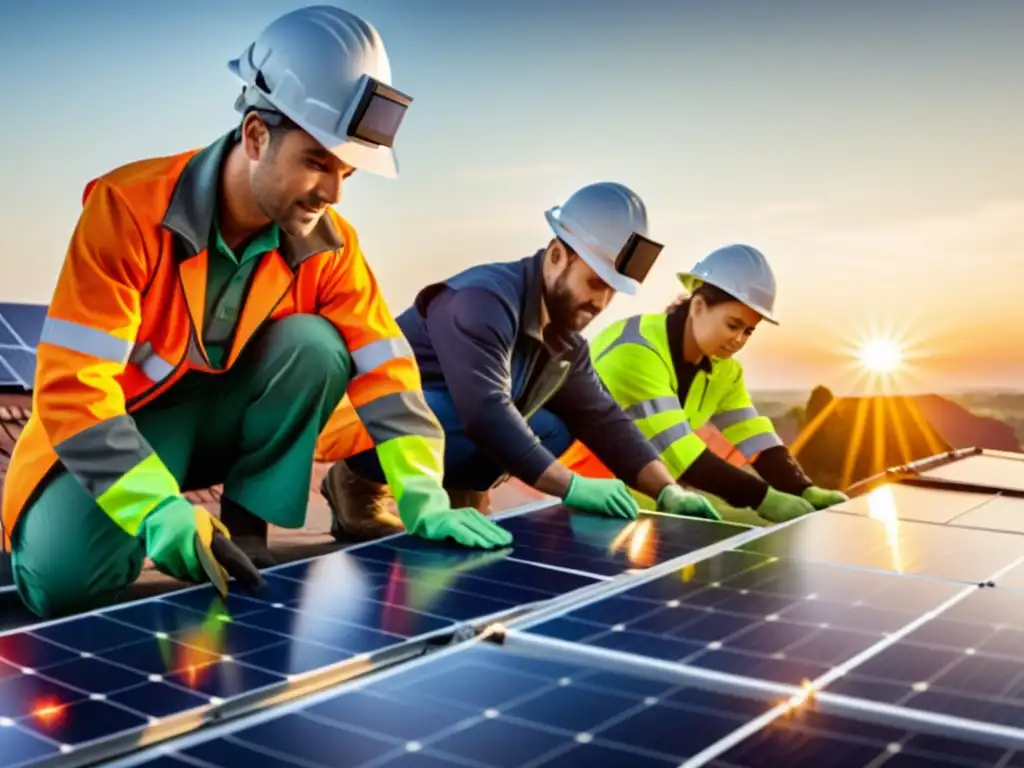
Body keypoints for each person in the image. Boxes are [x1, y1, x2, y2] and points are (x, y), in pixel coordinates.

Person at [1, 5, 510, 620]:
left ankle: (248, 532)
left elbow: (387, 371)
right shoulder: (126, 210)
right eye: (318, 163)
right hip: (129, 427)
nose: (333, 192)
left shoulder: (330, 246)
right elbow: (72, 389)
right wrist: (154, 509)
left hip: (220, 431)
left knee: (315, 345)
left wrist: (423, 493)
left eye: (346, 171)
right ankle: (105, 525)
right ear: (255, 136)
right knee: (63, 587)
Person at [317, 181, 720, 540]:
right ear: (558, 255)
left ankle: (462, 496)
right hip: (369, 428)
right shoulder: (481, 301)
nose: (601, 302)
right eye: (595, 282)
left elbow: (603, 417)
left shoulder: (564, 340)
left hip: (438, 429)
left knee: (555, 427)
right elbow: (483, 411)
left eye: (613, 291)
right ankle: (357, 483)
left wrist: (668, 489)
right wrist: (573, 486)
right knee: (470, 411)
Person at [559, 243, 849, 523]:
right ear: (698, 306)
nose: (738, 340)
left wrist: (801, 488)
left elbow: (753, 435)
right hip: (570, 497)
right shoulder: (634, 351)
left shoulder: (724, 370)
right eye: (732, 325)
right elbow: (677, 451)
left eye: (749, 331)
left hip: (636, 507)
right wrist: (763, 499)